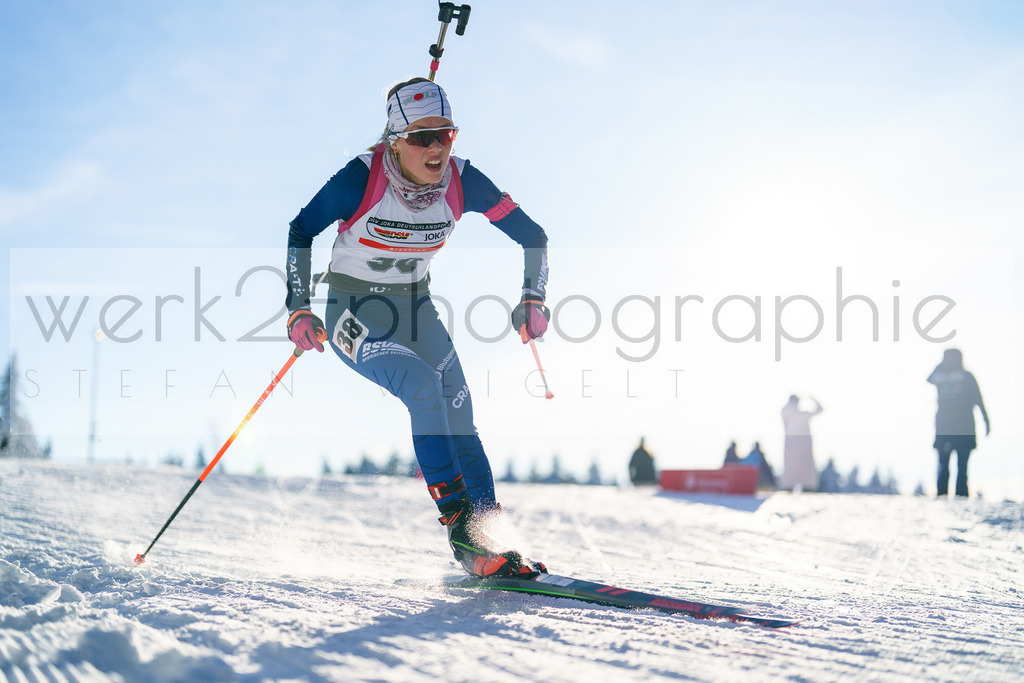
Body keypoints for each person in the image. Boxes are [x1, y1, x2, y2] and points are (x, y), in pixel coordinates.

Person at [284, 78, 550, 578]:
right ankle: (463, 535)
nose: (435, 148)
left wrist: (533, 296)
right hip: (354, 311)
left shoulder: (466, 182)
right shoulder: (358, 179)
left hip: (414, 308)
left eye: (445, 135)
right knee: (423, 387)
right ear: (394, 140)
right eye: (420, 137)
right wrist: (298, 308)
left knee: (459, 411)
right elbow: (301, 229)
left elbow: (533, 237)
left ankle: (494, 536)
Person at [927, 348, 990, 498]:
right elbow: (978, 399)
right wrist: (986, 420)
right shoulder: (966, 376)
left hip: (945, 427)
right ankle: (960, 496)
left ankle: (943, 496)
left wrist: (941, 365)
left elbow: (928, 378)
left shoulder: (941, 376)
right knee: (961, 466)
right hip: (963, 428)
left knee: (945, 465)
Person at [779, 395, 823, 492]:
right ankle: (788, 488)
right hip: (792, 445)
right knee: (791, 469)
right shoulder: (788, 413)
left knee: (805, 471)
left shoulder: (803, 414)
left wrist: (812, 398)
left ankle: (807, 488)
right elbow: (784, 411)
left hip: (804, 445)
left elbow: (820, 409)